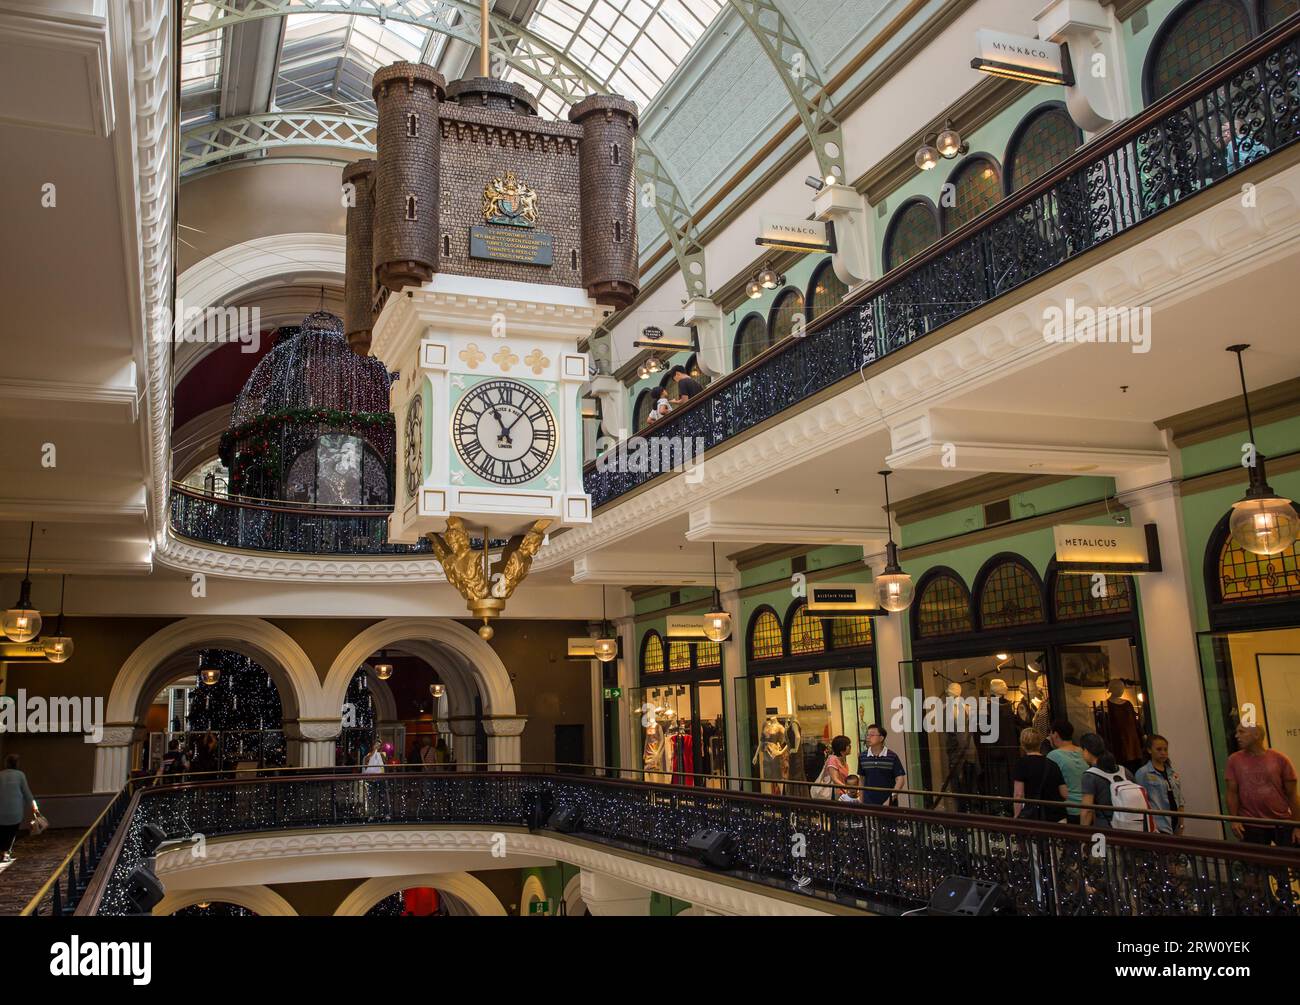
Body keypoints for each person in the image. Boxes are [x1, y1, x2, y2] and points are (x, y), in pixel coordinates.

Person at [1226, 722, 1300, 846]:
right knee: (1258, 862)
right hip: (1251, 823)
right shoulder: (1234, 760)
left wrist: (1297, 825)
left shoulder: (1280, 759)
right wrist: (1235, 820)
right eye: (1237, 732)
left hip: (1281, 822)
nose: (1236, 736)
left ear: (1256, 735)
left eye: (1242, 732)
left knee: (1291, 859)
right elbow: (1231, 793)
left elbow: (1292, 795)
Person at [1079, 732, 1144, 830]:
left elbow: (1087, 810)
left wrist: (1082, 834)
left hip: (1107, 828)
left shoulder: (1090, 775)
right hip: (1133, 826)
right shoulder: (1124, 771)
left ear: (1086, 751)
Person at [1012, 727, 1067, 821]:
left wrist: (1017, 816)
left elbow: (1019, 794)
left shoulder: (1021, 764)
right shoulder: (1052, 764)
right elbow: (1064, 793)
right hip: (1057, 814)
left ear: (1022, 744)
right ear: (1039, 743)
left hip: (1037, 816)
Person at [1135, 734, 1185, 836]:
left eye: (1165, 750)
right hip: (1158, 827)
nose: (1163, 753)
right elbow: (1140, 801)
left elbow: (1180, 801)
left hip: (1175, 825)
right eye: (1159, 749)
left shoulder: (1172, 774)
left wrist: (1181, 825)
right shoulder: (1143, 773)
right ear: (1149, 750)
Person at [1047, 720, 1087, 823]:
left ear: (1055, 734)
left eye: (1050, 733)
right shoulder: (1083, 752)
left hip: (1069, 808)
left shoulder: (1053, 756)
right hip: (1087, 807)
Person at [857, 723, 906, 807]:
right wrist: (861, 800)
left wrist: (891, 798)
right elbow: (861, 779)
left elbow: (900, 779)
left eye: (872, 735)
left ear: (881, 738)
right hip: (868, 802)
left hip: (888, 803)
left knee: (889, 820)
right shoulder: (862, 756)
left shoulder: (892, 756)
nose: (868, 737)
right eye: (867, 735)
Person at [1, 754, 37, 863]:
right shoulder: (20, 775)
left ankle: (2, 852)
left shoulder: (0, 775)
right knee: (11, 832)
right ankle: (5, 852)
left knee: (1, 831)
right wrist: (34, 806)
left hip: (1, 810)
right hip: (15, 811)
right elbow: (27, 793)